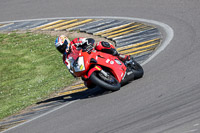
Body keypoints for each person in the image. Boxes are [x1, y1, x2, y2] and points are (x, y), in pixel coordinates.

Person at [55, 35, 131, 77]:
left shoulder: (75, 42)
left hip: (92, 54)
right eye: (60, 49)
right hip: (84, 66)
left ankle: (120, 56)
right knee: (87, 83)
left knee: (100, 45)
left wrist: (89, 45)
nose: (62, 49)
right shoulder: (65, 58)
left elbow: (89, 40)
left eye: (63, 46)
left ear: (66, 41)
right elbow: (70, 70)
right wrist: (74, 72)